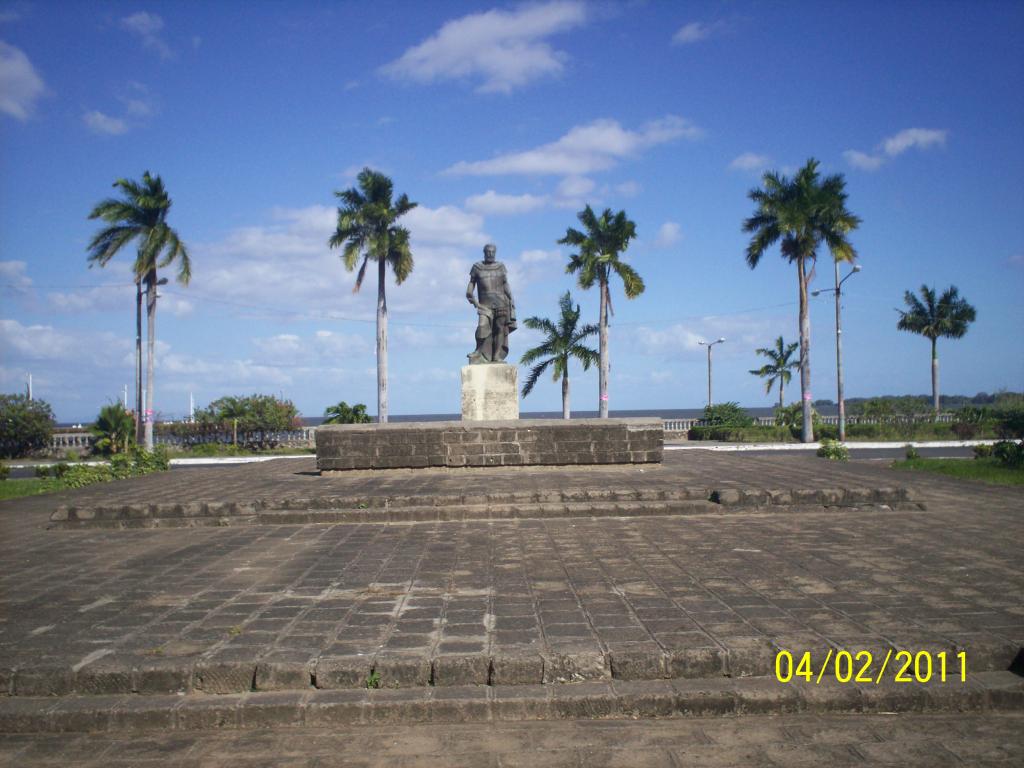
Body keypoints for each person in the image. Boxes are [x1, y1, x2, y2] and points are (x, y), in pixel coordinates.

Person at [466, 243, 516, 363]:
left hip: (501, 302)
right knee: (482, 326)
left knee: (499, 329)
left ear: (495, 253)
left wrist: (511, 298)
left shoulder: (501, 267)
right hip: (484, 305)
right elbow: (471, 284)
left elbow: (505, 284)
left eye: (492, 252)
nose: (490, 254)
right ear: (484, 253)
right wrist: (471, 297)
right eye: (488, 252)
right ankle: (478, 351)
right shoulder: (477, 267)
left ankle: (497, 356)